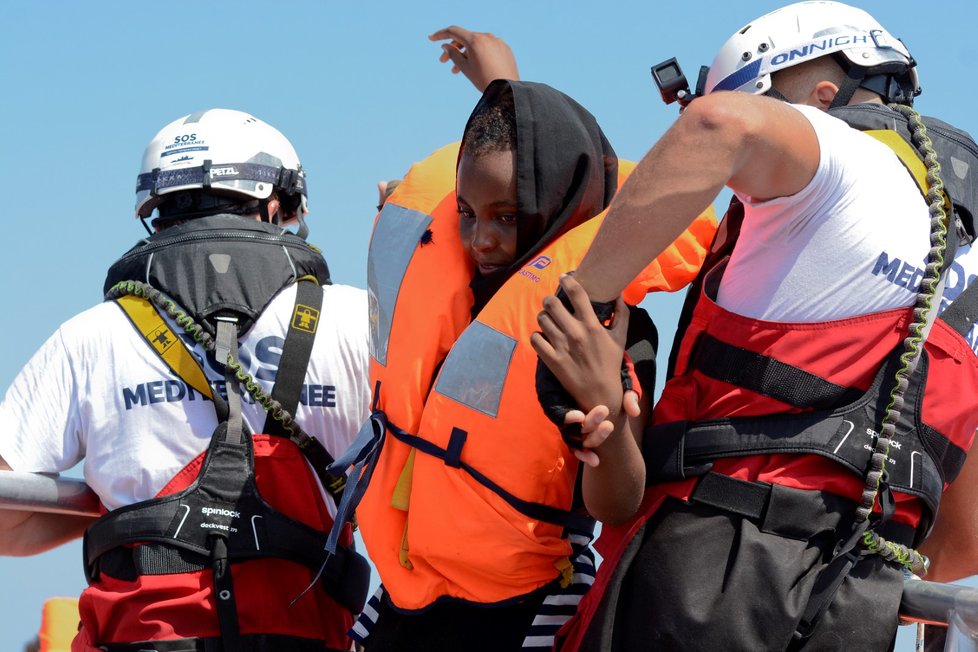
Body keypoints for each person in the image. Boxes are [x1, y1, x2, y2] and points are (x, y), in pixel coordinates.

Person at [533, 2, 978, 650]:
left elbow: (719, 124)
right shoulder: (963, 269)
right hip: (856, 613)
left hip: (708, 578)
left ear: (821, 99)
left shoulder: (840, 163)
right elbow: (962, 543)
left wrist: (589, 301)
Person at [335, 71, 714, 651]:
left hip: (528, 609)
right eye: (466, 212)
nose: (480, 238)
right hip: (404, 604)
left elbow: (618, 501)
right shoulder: (444, 290)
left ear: (560, 204)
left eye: (506, 217)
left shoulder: (602, 325)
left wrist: (604, 418)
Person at [0, 108, 373, 651]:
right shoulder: (361, 324)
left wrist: (126, 510)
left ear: (158, 211)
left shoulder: (88, 337)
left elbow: (6, 522)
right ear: (275, 206)